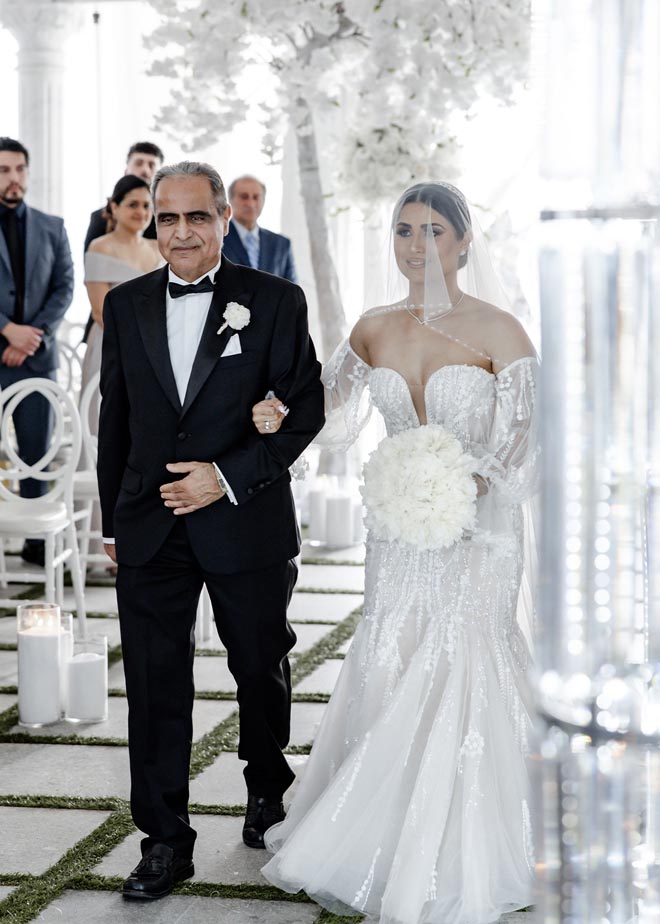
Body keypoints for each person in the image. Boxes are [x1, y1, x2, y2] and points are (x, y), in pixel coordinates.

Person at [255, 182, 539, 923]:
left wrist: (478, 480)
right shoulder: (374, 327)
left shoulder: (500, 328)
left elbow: (527, 432)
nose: (418, 246)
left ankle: (463, 832)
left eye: (435, 231)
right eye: (405, 230)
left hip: (480, 531)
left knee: (463, 654)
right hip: (397, 532)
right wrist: (278, 409)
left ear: (465, 241)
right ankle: (379, 814)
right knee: (391, 649)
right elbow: (329, 407)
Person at [97, 161, 324, 901]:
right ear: (152, 223)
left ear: (224, 219)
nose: (183, 232)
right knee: (154, 688)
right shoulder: (127, 304)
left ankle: (267, 781)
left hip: (244, 519)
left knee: (259, 666)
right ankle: (165, 839)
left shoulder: (275, 301)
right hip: (150, 527)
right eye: (168, 218)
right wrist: (113, 521)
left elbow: (304, 409)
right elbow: (117, 421)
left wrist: (224, 477)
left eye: (199, 217)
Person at [0, 137, 74, 567]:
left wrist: (33, 335)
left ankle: (36, 543)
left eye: (19, 169)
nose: (14, 178)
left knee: (35, 451)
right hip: (6, 346)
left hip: (38, 358)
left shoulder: (53, 226)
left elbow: (64, 287)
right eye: (5, 170)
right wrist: (7, 330)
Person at [84, 141, 164, 250]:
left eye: (152, 165)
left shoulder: (168, 219)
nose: (145, 170)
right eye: (138, 163)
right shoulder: (100, 218)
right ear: (126, 171)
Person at [223, 175, 297, 282]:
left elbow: (293, 293)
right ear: (231, 200)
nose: (251, 203)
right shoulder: (217, 240)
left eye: (256, 197)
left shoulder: (281, 244)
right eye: (244, 197)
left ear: (263, 200)